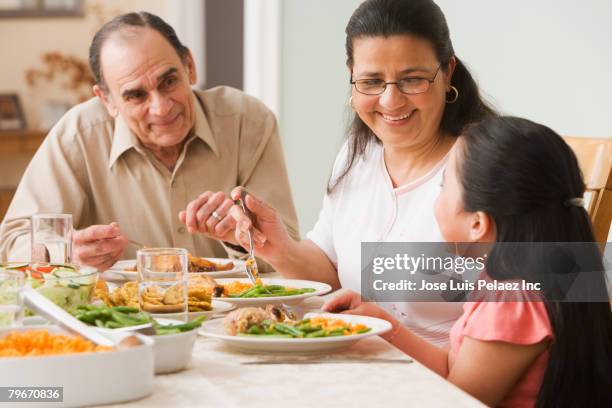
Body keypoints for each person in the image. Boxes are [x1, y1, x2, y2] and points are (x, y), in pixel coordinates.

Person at [224, 0, 495, 346]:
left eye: (412, 79)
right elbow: (332, 271)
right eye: (371, 81)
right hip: (360, 364)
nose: (391, 101)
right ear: (352, 76)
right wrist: (277, 245)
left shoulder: (486, 165)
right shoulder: (359, 153)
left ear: (447, 72)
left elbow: (558, 283)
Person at [323, 116, 612, 407]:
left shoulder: (512, 302)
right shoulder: (512, 280)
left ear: (477, 223)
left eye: (443, 186)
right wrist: (383, 321)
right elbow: (452, 368)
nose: (437, 198)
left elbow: (456, 401)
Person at [0, 12, 298, 271]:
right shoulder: (78, 135)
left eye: (169, 82)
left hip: (231, 318)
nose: (161, 107)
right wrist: (66, 252)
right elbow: (12, 242)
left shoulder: (248, 121)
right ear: (106, 100)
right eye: (136, 95)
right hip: (119, 326)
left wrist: (244, 236)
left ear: (190, 67)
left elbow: (291, 255)